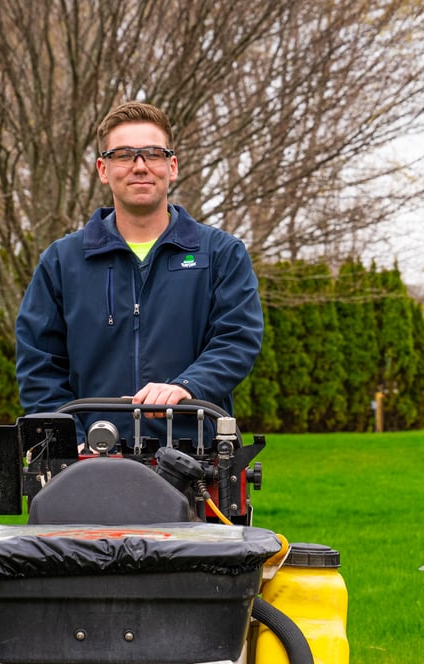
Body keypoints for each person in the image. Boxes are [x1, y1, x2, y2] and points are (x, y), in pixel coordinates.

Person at [15, 102, 263, 448]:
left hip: (194, 457)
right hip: (91, 461)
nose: (140, 166)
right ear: (103, 169)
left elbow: (237, 338)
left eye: (153, 154)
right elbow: (39, 361)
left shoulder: (220, 254)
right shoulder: (62, 260)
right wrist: (71, 442)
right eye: (124, 155)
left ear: (172, 166)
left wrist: (187, 386)